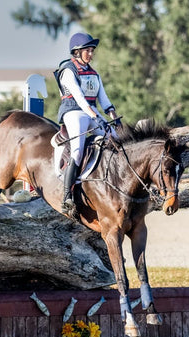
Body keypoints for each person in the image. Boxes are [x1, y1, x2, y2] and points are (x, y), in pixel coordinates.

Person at [54, 32, 120, 214]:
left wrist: (113, 117)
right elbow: (80, 98)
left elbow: (104, 99)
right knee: (77, 151)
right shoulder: (68, 71)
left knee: (116, 140)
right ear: (76, 52)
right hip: (74, 112)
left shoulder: (94, 73)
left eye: (92, 51)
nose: (91, 54)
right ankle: (67, 196)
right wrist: (95, 117)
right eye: (87, 51)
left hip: (91, 112)